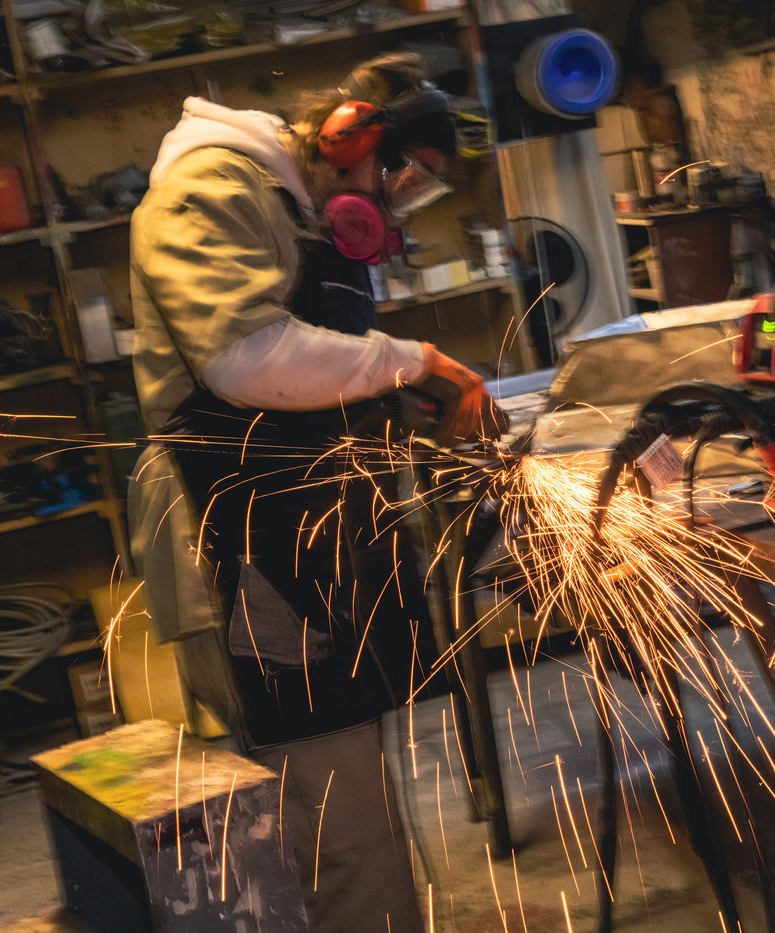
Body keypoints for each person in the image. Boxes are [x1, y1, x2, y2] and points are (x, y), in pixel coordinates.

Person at [126, 52, 507, 932]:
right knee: (330, 814)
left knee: (351, 787)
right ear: (348, 137)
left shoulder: (294, 207)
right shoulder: (210, 186)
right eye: (403, 176)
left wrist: (406, 404)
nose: (400, 202)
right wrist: (416, 360)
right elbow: (246, 357)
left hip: (306, 527)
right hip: (243, 542)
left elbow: (321, 365)